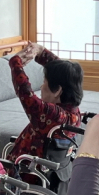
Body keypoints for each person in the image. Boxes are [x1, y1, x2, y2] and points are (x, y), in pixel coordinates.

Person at [7, 41, 84, 171]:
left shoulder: (52, 115)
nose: (42, 87)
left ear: (58, 90)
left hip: (24, 176)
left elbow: (25, 92)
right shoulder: (74, 112)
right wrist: (40, 52)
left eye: (44, 82)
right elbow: (66, 74)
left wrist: (15, 62)